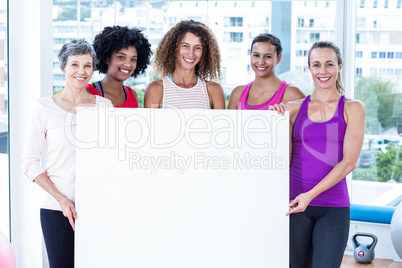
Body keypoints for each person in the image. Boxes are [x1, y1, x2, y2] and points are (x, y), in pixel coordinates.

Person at [270, 41, 365, 268]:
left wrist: (309, 195)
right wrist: (273, 120)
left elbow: (349, 162)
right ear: (310, 68)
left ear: (339, 66)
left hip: (333, 207)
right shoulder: (291, 108)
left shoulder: (353, 108)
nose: (323, 71)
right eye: (316, 65)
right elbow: (279, 159)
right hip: (293, 204)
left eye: (329, 64)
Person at [22, 39, 112, 268]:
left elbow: (111, 159)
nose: (81, 71)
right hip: (56, 209)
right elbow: (29, 162)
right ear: (63, 67)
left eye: (87, 65)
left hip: (96, 208)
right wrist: (61, 199)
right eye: (74, 65)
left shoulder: (105, 107)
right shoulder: (44, 107)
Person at [144, 20, 225, 109]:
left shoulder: (214, 90)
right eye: (185, 46)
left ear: (204, 53)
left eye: (197, 48)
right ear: (174, 48)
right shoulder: (156, 89)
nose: (191, 54)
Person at [228, 33, 305, 110]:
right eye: (256, 55)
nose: (261, 62)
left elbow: (312, 120)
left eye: (268, 56)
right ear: (250, 55)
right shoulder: (237, 94)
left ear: (278, 58)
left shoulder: (292, 94)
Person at [87, 26, 152, 107]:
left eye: (133, 59)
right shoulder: (87, 92)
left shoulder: (133, 95)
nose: (128, 64)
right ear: (107, 59)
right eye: (121, 57)